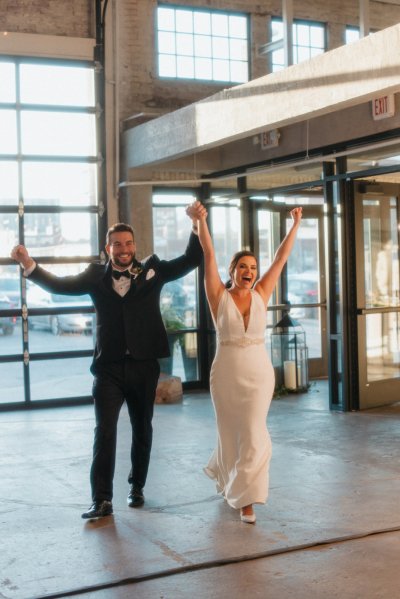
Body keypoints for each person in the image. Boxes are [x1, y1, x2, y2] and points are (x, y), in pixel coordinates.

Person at [11, 209, 203, 519]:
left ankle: (137, 485)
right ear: (107, 247)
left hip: (143, 365)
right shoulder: (94, 275)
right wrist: (28, 264)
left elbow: (190, 260)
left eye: (128, 243)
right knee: (105, 431)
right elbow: (60, 285)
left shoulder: (153, 271)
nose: (124, 249)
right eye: (117, 244)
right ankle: (101, 499)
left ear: (134, 246)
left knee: (143, 428)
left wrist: (196, 225)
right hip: (108, 368)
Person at [187, 201, 302, 524]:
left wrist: (294, 226)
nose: (249, 271)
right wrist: (201, 222)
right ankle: (229, 482)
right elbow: (208, 254)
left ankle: (245, 499)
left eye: (252, 267)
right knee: (230, 433)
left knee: (253, 432)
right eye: (242, 267)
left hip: (259, 374)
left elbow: (281, 259)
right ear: (231, 271)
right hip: (226, 374)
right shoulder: (218, 296)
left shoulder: (262, 292)